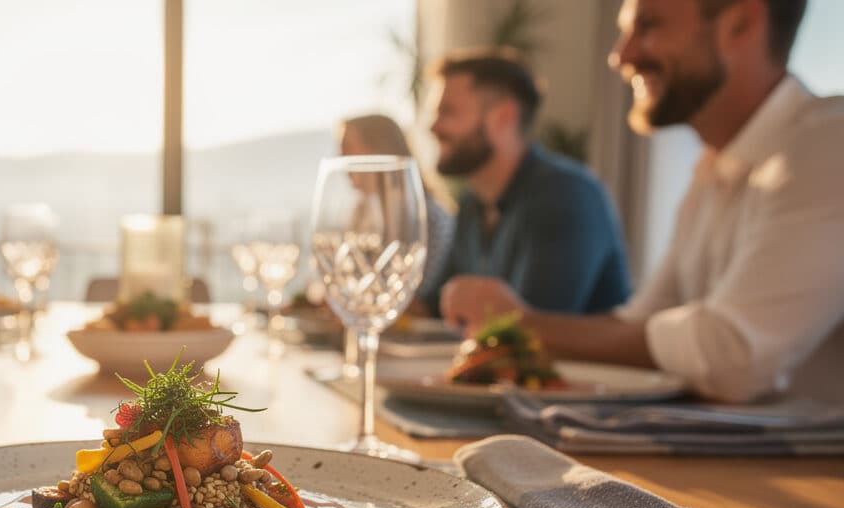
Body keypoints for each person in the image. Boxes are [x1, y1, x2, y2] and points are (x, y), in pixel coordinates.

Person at [441, 0, 842, 403]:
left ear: (740, 24)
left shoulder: (829, 145)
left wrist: (521, 323)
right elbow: (641, 323)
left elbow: (734, 354)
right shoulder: (717, 168)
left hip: (803, 464)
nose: (620, 56)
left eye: (648, 26)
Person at [421, 49, 631, 317]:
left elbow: (535, 326)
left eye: (447, 112)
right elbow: (434, 306)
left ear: (504, 117)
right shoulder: (473, 202)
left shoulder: (565, 195)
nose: (433, 127)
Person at [338, 114, 455, 307]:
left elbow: (424, 303)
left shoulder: (429, 219)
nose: (341, 159)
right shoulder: (363, 215)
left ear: (378, 150)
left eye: (348, 148)